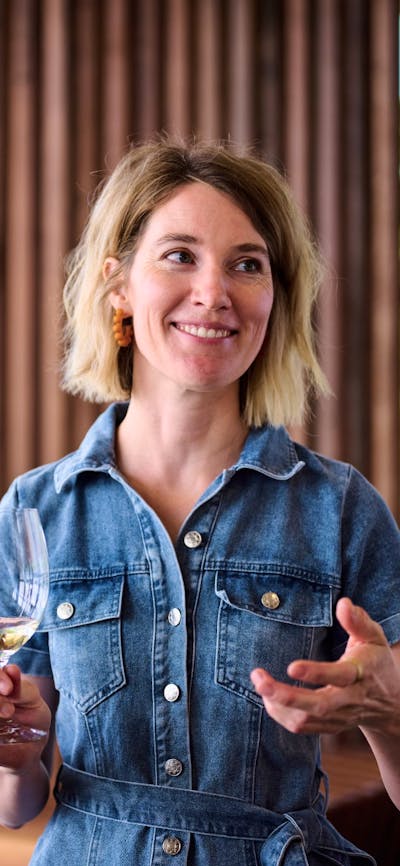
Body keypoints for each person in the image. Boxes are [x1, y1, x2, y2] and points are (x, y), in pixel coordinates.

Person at [0, 138, 399, 866]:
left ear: (275, 299)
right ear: (118, 285)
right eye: (180, 255)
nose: (214, 292)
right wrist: (15, 745)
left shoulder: (343, 509)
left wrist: (389, 714)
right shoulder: (35, 510)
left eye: (247, 264)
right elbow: (16, 802)